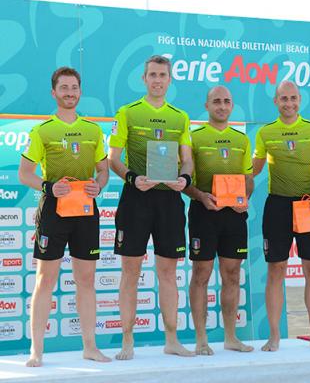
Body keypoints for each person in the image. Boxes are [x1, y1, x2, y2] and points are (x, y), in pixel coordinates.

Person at [18, 67, 110, 367]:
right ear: (54, 92)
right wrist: (48, 186)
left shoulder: (93, 131)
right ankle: (36, 351)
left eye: (74, 88)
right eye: (64, 88)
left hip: (85, 212)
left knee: (86, 280)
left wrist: (99, 184)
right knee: (45, 279)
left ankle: (90, 347)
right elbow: (25, 174)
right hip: (53, 214)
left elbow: (103, 170)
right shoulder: (42, 130)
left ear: (80, 92)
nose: (70, 93)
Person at [108, 55, 194, 359]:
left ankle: (172, 340)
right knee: (130, 271)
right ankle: (127, 341)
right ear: (144, 79)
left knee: (168, 272)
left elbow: (187, 159)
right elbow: (113, 159)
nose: (157, 80)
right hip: (137, 198)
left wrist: (185, 179)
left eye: (162, 75)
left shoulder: (180, 117)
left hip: (169, 200)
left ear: (169, 80)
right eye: (153, 75)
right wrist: (133, 178)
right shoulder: (127, 112)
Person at [252, 80, 310, 351]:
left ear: (299, 100)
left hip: (309, 204)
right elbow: (254, 168)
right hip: (277, 206)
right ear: (275, 101)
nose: (289, 103)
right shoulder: (265, 132)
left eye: (293, 98)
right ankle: (274, 336)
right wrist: (229, 179)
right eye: (283, 98)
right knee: (276, 270)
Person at [184, 86, 254, 355]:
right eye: (216, 101)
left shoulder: (241, 140)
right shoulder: (194, 137)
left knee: (232, 274)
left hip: (234, 215)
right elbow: (185, 181)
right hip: (203, 212)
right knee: (201, 273)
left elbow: (248, 179)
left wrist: (244, 197)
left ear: (232, 105)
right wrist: (200, 196)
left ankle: (230, 338)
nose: (222, 106)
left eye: (226, 101)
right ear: (207, 105)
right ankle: (201, 340)